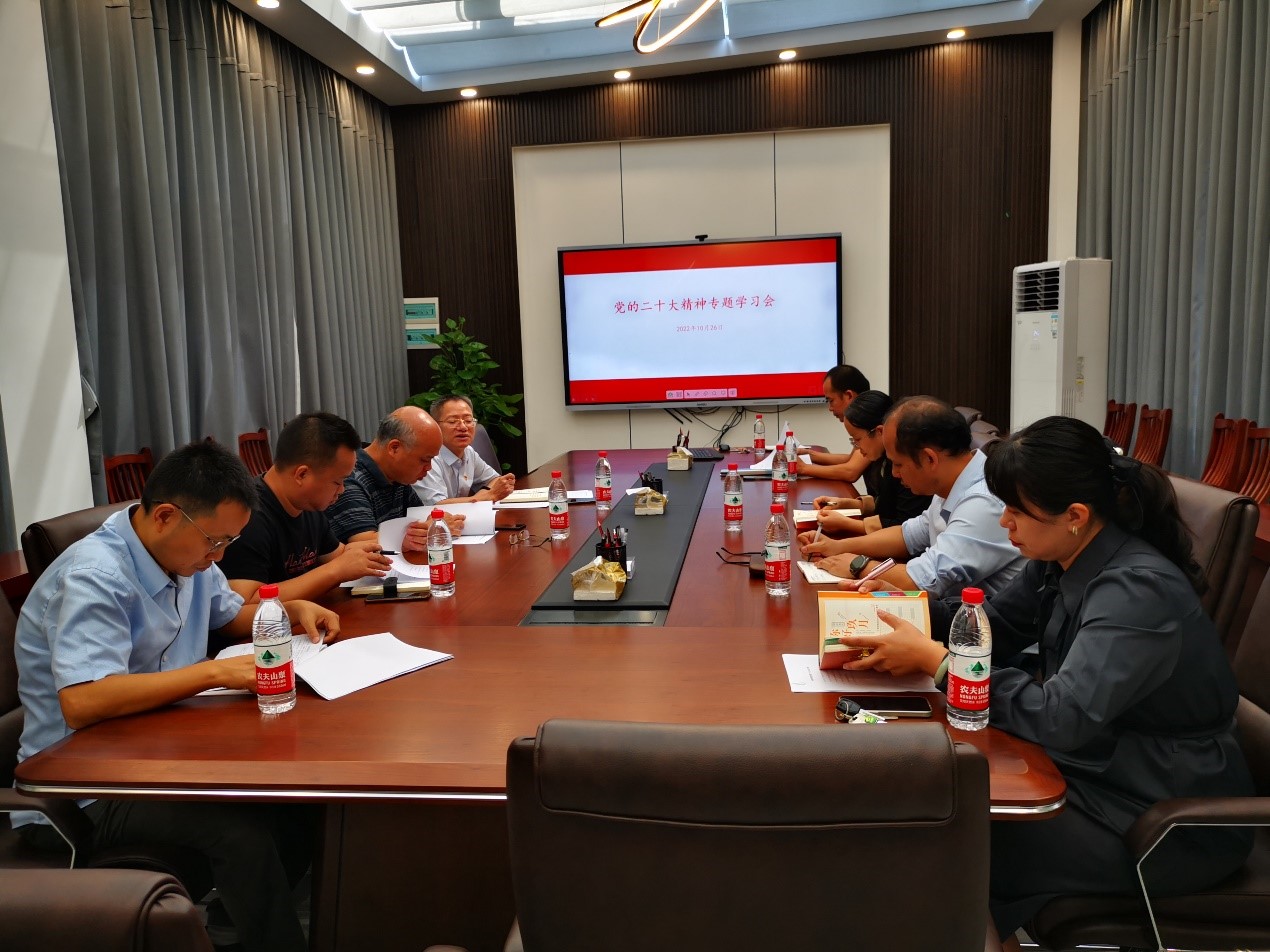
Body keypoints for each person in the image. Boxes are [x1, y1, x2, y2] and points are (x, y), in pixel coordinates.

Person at [835, 416, 1254, 946]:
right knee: (933, 810)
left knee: (939, 831)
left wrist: (939, 663)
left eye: (1016, 510)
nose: (1004, 522)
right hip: (1094, 775)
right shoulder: (1062, 558)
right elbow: (990, 625)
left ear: (1075, 515)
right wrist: (882, 613)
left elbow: (1061, 717)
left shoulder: (1136, 591)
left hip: (1164, 818)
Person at [14, 441, 341, 952]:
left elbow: (228, 616)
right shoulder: (94, 577)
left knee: (302, 795)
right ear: (166, 516)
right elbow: (84, 701)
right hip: (87, 785)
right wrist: (213, 672)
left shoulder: (186, 555)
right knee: (242, 832)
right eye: (215, 542)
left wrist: (289, 609)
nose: (219, 557)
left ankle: (237, 921)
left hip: (160, 751)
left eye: (229, 542)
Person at [799, 396, 1023, 595]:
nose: (894, 474)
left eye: (898, 464)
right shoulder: (953, 480)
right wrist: (837, 547)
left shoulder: (983, 502)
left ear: (929, 459)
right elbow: (909, 535)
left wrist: (857, 565)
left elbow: (923, 580)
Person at [218, 411, 393, 601]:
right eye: (338, 482)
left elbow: (338, 555)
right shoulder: (246, 516)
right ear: (301, 474)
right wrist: (335, 571)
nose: (342, 490)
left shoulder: (307, 505)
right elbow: (245, 600)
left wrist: (374, 550)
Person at [324, 406, 464, 553]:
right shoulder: (350, 479)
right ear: (394, 448)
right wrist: (431, 529)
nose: (429, 468)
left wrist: (433, 523)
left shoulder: (398, 476)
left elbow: (419, 518)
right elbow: (363, 541)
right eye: (424, 460)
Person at [809, 390, 931, 536]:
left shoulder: (907, 464)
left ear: (879, 431)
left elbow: (904, 526)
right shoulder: (884, 459)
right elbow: (887, 503)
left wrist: (846, 524)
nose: (857, 447)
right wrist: (846, 504)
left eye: (857, 439)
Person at [414, 395, 516, 506]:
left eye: (468, 420)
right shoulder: (428, 458)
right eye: (452, 421)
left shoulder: (468, 452)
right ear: (435, 426)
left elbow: (495, 479)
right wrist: (486, 496)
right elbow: (437, 505)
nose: (463, 427)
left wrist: (481, 496)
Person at [798, 364, 872, 487]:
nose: (830, 408)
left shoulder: (873, 419)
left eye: (831, 400)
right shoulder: (866, 416)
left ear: (849, 396)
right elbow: (851, 459)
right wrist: (808, 454)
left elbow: (851, 471)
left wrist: (803, 468)